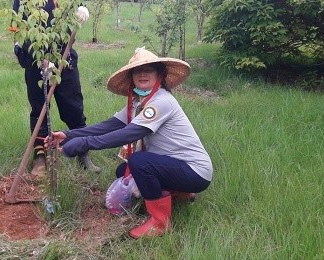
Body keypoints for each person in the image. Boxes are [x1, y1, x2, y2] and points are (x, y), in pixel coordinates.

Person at [48, 47, 213, 238]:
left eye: (149, 69)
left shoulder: (161, 101)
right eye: (137, 70)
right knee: (123, 171)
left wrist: (84, 144)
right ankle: (181, 192)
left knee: (139, 162)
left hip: (195, 171)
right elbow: (108, 126)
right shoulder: (137, 102)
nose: (142, 73)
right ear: (132, 77)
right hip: (177, 166)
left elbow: (127, 134)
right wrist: (69, 135)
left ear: (160, 74)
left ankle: (160, 222)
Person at [12, 0, 100, 176]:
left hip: (65, 60)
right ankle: (40, 157)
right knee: (40, 108)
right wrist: (38, 58)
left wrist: (82, 14)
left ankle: (82, 153)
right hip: (36, 61)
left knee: (73, 106)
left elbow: (75, 24)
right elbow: (18, 29)